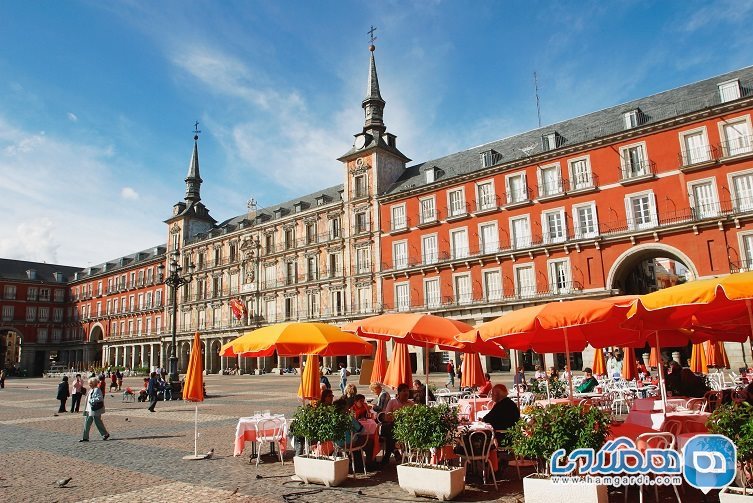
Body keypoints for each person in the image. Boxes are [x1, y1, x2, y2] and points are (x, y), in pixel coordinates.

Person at [380, 383, 415, 465]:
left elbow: (414, 418)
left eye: (407, 391)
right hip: (393, 425)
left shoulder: (411, 404)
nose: (406, 393)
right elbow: (387, 416)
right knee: (389, 428)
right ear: (399, 393)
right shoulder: (392, 402)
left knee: (390, 433)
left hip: (406, 428)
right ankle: (395, 451)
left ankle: (390, 453)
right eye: (404, 391)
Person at [80, 377, 109, 442]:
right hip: (89, 409)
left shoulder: (97, 390)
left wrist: (91, 400)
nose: (89, 385)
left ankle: (105, 434)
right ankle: (85, 437)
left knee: (97, 423)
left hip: (94, 410)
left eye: (90, 383)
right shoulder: (91, 390)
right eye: (89, 383)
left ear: (94, 383)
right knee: (87, 423)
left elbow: (100, 398)